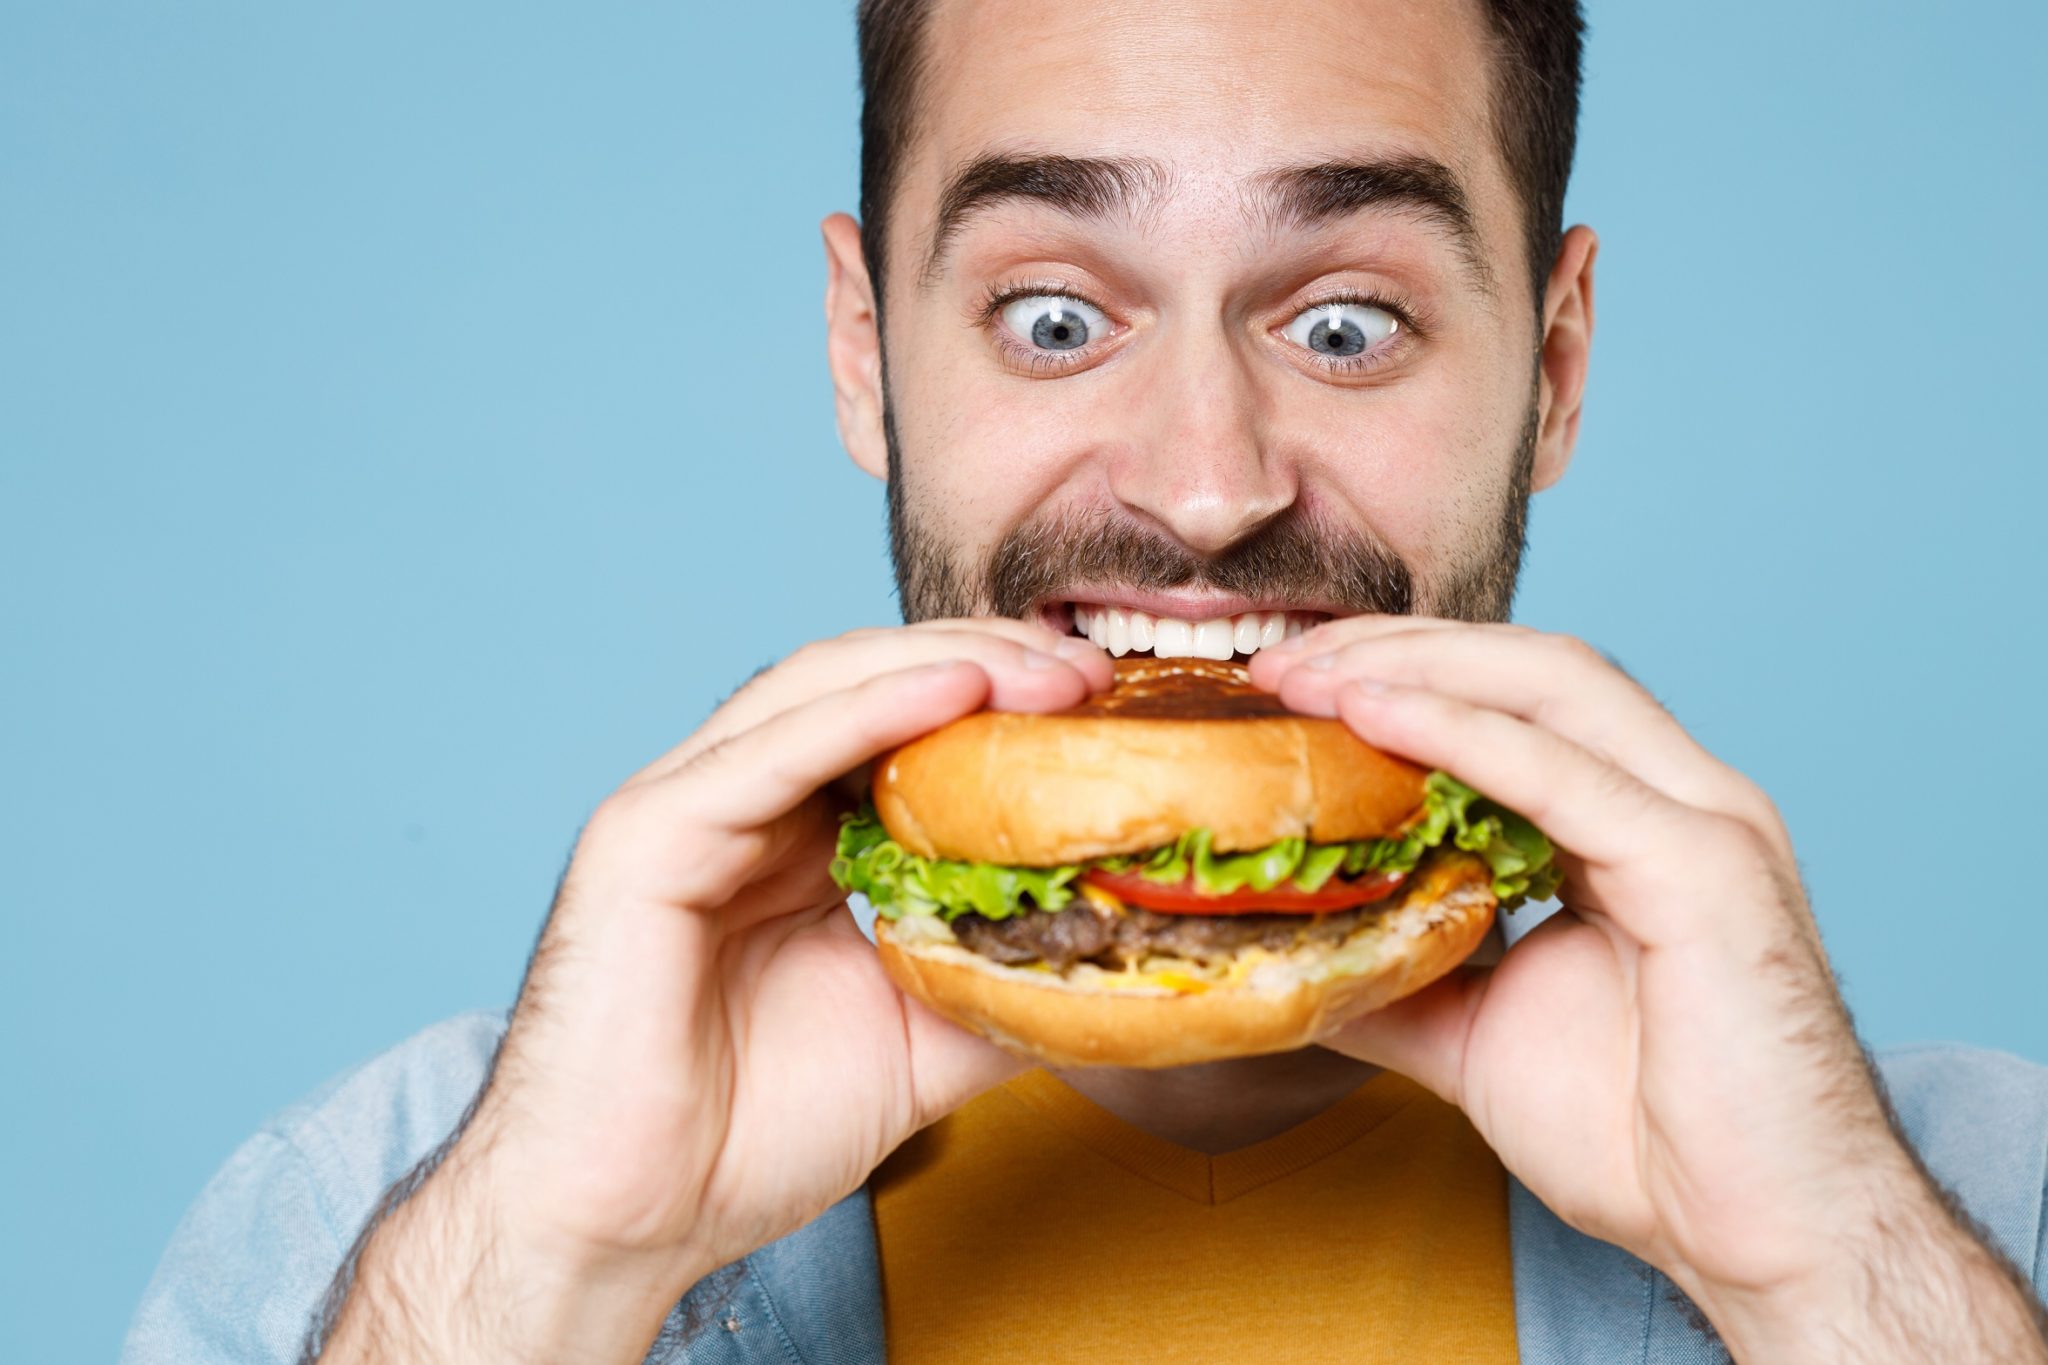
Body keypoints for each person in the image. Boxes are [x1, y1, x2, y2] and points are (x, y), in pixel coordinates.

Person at [125, 0, 2048, 1361]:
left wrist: (1838, 1284)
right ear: (867, 358)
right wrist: (545, 1277)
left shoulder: (1972, 1215)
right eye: (1054, 319)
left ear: (1551, 369)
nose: (1208, 486)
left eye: (1348, 319)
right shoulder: (384, 1218)